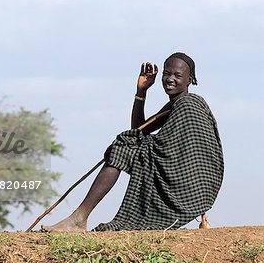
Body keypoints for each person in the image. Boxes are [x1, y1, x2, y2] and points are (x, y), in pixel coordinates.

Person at [42, 52, 224, 231]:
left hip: (190, 180)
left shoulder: (189, 104)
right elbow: (138, 130)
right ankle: (78, 219)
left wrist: (123, 145)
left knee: (121, 147)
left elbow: (174, 149)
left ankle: (78, 219)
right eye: (166, 73)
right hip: (186, 177)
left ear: (189, 79)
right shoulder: (175, 104)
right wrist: (141, 91)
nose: (170, 79)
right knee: (123, 145)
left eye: (177, 75)